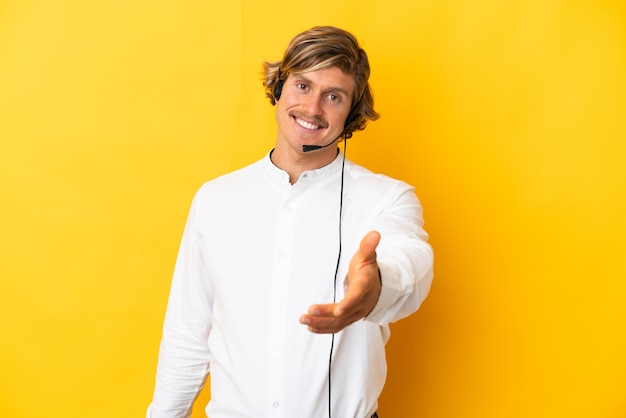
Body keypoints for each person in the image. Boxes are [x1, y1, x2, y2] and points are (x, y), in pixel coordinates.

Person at [147, 26, 434, 418]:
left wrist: (376, 287)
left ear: (351, 113)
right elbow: (188, 333)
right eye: (302, 86)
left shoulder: (387, 198)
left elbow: (410, 261)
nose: (313, 109)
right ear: (279, 88)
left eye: (333, 97)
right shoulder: (215, 199)